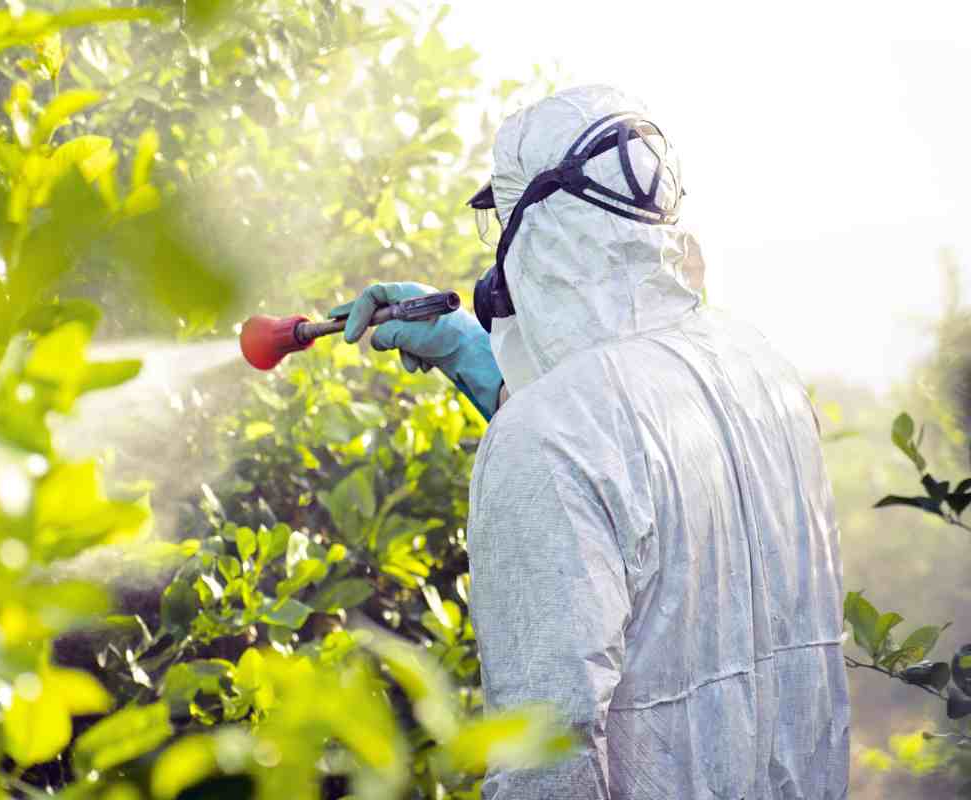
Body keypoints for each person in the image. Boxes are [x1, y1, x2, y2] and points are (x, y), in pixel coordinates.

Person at [334, 85, 850, 799]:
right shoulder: (762, 375)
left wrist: (518, 412)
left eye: (506, 225)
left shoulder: (546, 441)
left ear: (539, 233)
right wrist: (472, 355)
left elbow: (547, 756)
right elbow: (636, 470)